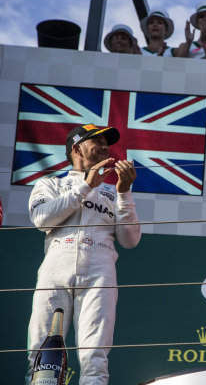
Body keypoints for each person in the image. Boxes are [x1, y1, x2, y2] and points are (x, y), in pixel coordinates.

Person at [26, 124, 141, 384]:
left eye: (106, 143)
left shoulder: (113, 192)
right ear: (76, 148)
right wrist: (84, 187)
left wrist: (124, 192)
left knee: (95, 357)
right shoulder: (50, 185)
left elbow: (130, 240)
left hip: (100, 271)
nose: (104, 147)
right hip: (56, 268)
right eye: (96, 141)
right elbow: (41, 219)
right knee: (41, 354)